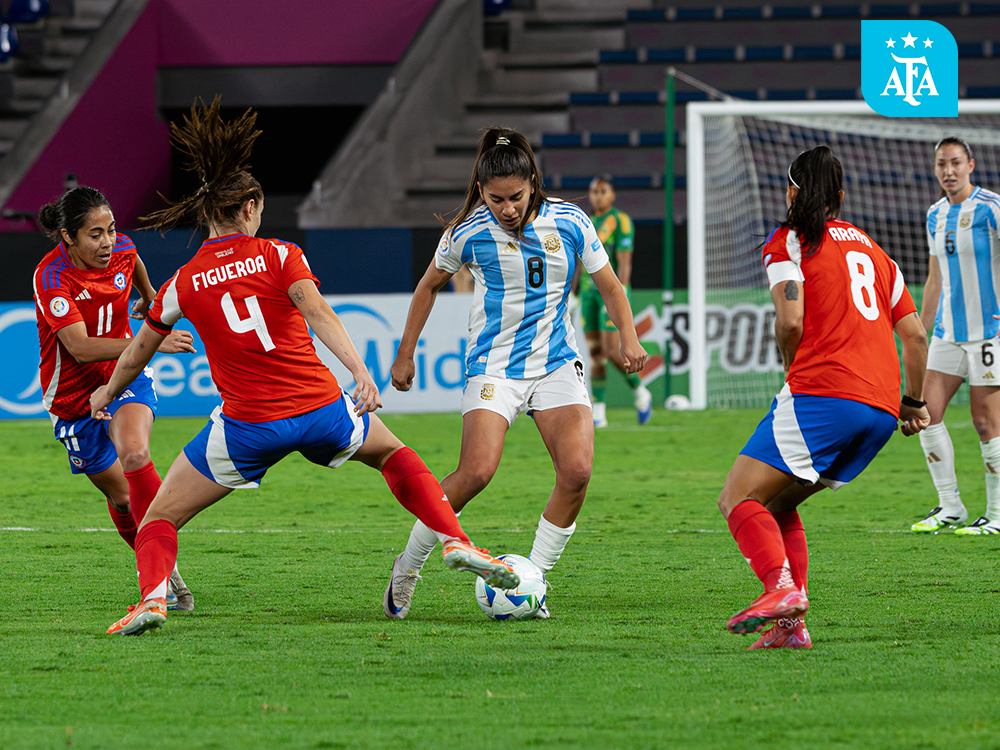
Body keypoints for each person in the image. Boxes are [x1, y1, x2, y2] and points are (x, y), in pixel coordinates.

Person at [90, 99, 519, 636]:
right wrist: (360, 373)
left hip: (247, 428)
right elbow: (317, 312)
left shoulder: (183, 280)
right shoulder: (280, 255)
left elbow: (136, 353)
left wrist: (108, 393)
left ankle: (152, 599)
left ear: (209, 214)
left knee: (158, 518)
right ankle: (455, 540)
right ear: (249, 206)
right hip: (322, 410)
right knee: (395, 455)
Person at [386, 127, 648, 620]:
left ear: (533, 182)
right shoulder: (467, 231)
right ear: (481, 192)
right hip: (494, 368)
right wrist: (406, 354)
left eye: (516, 197)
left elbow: (610, 286)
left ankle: (534, 579)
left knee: (577, 472)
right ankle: (407, 567)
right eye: (495, 199)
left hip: (555, 364)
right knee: (476, 472)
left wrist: (628, 336)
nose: (506, 208)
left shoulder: (570, 221)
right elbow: (426, 288)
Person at [716, 146, 930, 649]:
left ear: (791, 191)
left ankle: (781, 591)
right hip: (879, 410)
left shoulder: (789, 241)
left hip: (824, 394)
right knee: (779, 502)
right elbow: (916, 336)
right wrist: (913, 403)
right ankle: (791, 629)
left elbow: (790, 320)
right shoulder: (876, 252)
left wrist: (793, 370)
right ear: (839, 196)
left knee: (738, 497)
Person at [32, 186, 197, 611]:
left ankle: (156, 581)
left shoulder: (120, 247)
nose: (107, 242)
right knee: (123, 498)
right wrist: (150, 341)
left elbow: (134, 259)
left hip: (125, 377)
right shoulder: (51, 277)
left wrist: (147, 296)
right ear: (68, 236)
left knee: (137, 455)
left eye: (110, 230)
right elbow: (81, 348)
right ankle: (167, 573)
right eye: (94, 234)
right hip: (73, 399)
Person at [911, 137, 1000, 536]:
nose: (949, 171)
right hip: (948, 331)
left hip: (989, 333)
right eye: (942, 164)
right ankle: (951, 507)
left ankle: (997, 515)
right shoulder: (934, 215)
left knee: (986, 423)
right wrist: (921, 329)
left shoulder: (991, 208)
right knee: (925, 414)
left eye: (955, 163)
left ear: (971, 165)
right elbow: (934, 278)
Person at [578, 175, 652, 427]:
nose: (597, 196)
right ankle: (598, 411)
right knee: (596, 353)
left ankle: (640, 392)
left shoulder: (620, 220)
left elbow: (624, 259)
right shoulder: (587, 221)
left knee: (612, 350)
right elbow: (579, 261)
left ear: (612, 195)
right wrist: (574, 292)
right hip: (588, 293)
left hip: (609, 291)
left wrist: (621, 292)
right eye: (593, 191)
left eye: (602, 191)